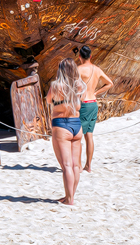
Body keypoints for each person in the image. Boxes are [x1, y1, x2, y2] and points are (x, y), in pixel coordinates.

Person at [46, 58, 86, 205]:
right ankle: (70, 196)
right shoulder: (80, 85)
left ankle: (69, 199)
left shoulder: (56, 85)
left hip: (61, 124)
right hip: (77, 125)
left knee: (67, 165)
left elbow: (49, 100)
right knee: (75, 166)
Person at [75, 45, 113, 172]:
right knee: (89, 135)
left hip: (84, 104)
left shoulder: (78, 69)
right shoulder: (97, 70)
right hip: (93, 103)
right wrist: (96, 93)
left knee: (78, 137)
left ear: (79, 57)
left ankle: (79, 166)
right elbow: (110, 83)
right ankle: (88, 165)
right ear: (91, 56)